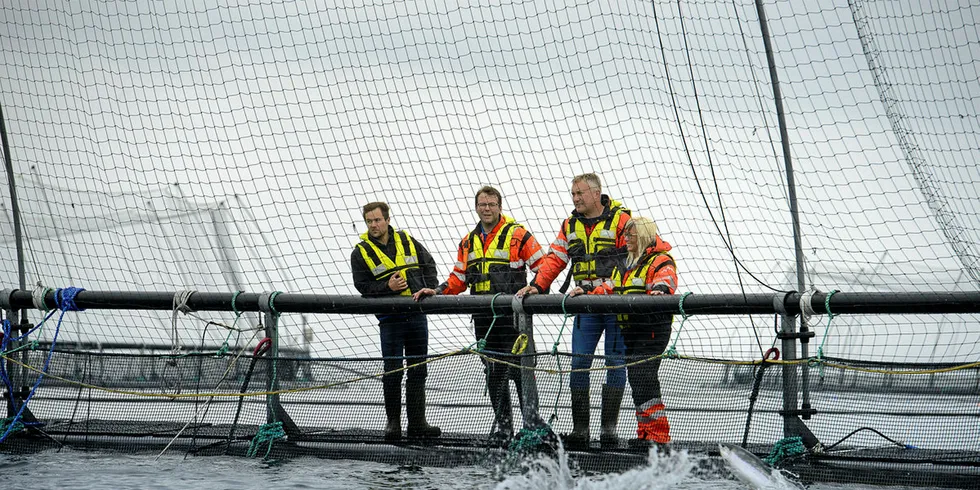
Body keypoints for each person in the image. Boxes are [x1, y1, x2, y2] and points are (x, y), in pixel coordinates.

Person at [413, 186, 546, 446]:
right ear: (476, 207)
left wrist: (535, 289)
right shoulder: (468, 241)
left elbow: (543, 266)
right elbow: (459, 279)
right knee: (493, 372)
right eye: (482, 204)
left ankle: (531, 426)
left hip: (513, 317)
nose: (487, 209)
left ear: (500, 206)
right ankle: (504, 430)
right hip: (484, 319)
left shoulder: (518, 235)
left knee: (520, 370)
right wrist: (438, 290)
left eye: (492, 204)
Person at [516, 172, 631, 448]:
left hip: (616, 305)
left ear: (596, 193)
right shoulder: (569, 224)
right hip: (584, 306)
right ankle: (580, 432)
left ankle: (609, 432)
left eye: (580, 193)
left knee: (616, 363)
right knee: (578, 364)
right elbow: (555, 258)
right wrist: (538, 286)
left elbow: (631, 265)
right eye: (573, 194)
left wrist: (597, 291)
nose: (575, 198)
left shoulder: (622, 221)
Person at [569, 216, 677, 447]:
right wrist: (586, 291)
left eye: (631, 234)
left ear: (644, 236)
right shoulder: (626, 264)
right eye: (625, 234)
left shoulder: (660, 260)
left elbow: (666, 279)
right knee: (638, 379)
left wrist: (660, 290)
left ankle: (657, 436)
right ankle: (646, 434)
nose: (625, 238)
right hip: (633, 332)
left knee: (644, 377)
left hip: (651, 330)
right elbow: (610, 287)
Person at [351, 201, 441, 441]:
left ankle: (418, 424)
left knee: (418, 369)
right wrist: (387, 286)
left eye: (378, 220)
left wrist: (427, 288)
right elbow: (362, 286)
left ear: (388, 220)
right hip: (390, 319)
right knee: (392, 371)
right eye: (369, 221)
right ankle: (393, 424)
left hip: (417, 315)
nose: (374, 225)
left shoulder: (408, 240)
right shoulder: (360, 253)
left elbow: (429, 265)